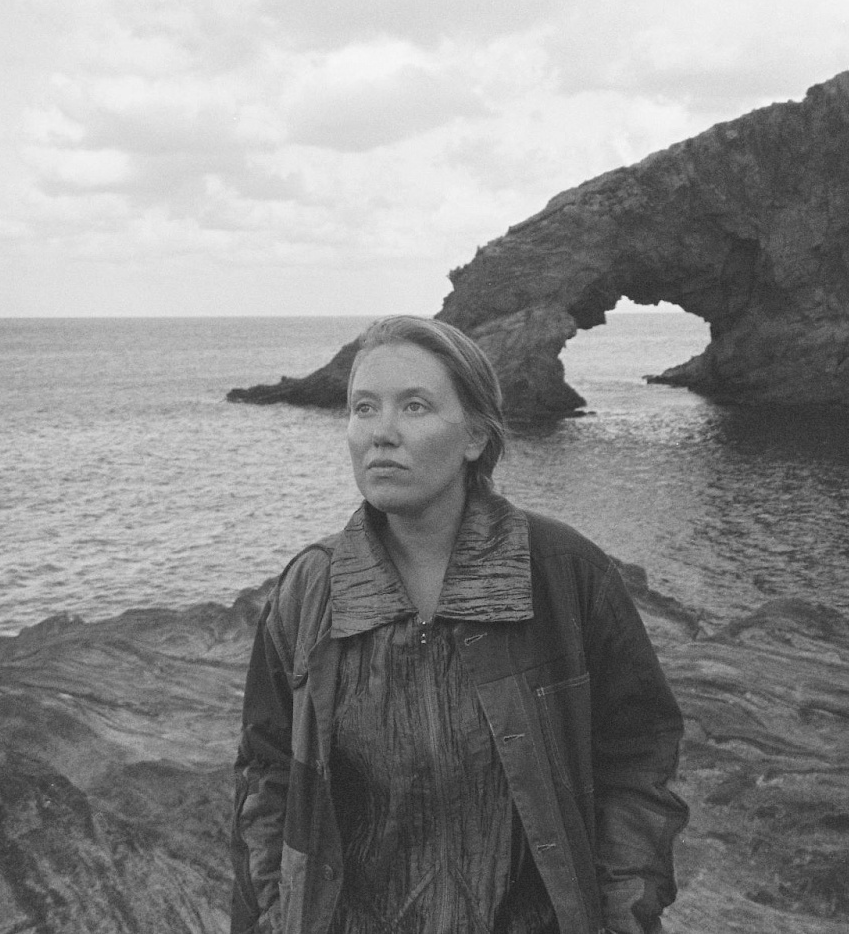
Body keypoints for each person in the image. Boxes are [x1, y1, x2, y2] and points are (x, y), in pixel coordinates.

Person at [232, 315, 688, 934]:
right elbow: (267, 781)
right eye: (363, 408)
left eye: (414, 407)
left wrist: (622, 913)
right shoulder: (311, 590)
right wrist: (272, 917)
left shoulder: (562, 574)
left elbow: (637, 759)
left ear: (475, 436)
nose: (380, 434)